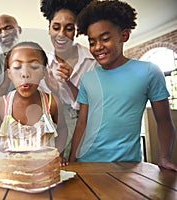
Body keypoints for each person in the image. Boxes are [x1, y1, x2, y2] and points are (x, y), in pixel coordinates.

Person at [69, 0, 177, 171]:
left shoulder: (149, 71)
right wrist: (73, 161)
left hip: (126, 166)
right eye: (92, 42)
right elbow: (82, 123)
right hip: (87, 163)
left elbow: (163, 120)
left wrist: (164, 157)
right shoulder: (88, 79)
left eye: (105, 39)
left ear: (124, 36)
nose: (98, 47)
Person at [39, 0, 98, 159]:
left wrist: (68, 83)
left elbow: (95, 106)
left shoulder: (92, 61)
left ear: (77, 31)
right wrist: (54, 92)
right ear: (49, 29)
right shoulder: (42, 65)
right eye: (56, 27)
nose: (61, 34)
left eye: (69, 28)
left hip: (87, 132)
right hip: (54, 134)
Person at [0, 14, 22, 112]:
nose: (4, 34)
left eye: (8, 28)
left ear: (19, 30)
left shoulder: (36, 56)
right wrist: (6, 80)